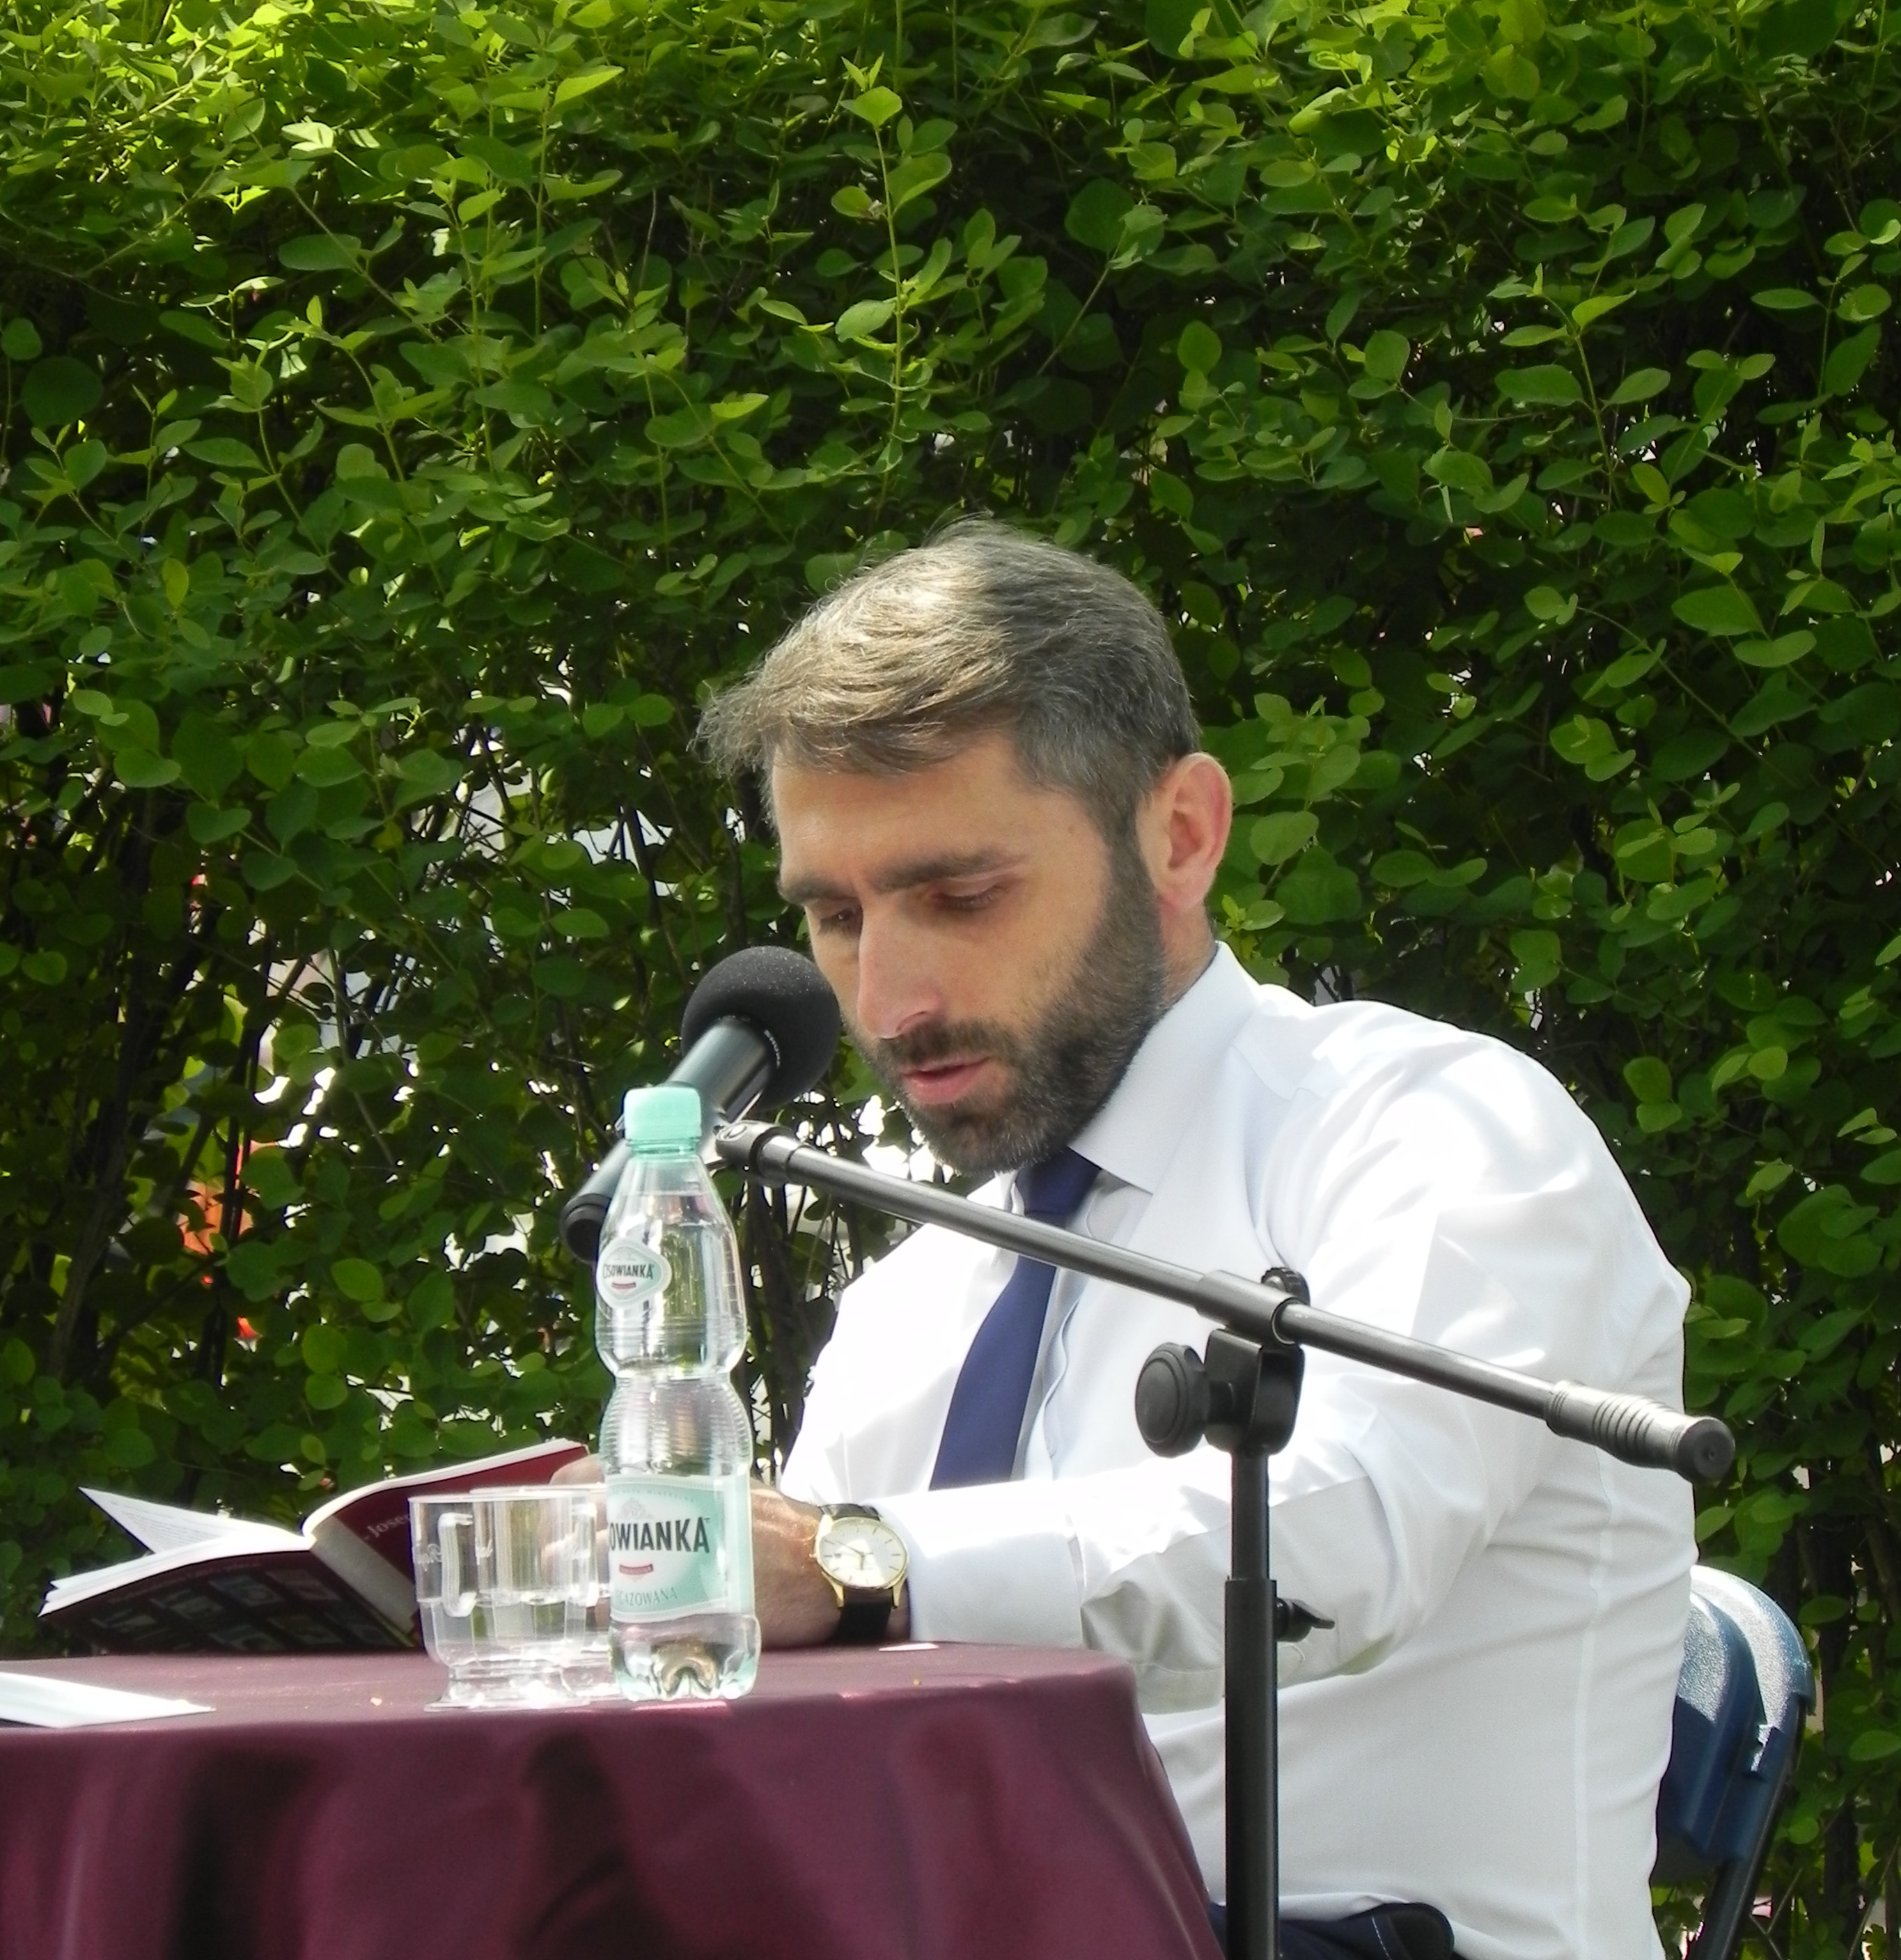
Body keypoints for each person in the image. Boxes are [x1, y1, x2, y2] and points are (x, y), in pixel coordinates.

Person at [691, 520, 1693, 1959]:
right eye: (837, 918)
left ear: (1180, 834)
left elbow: (1349, 1528)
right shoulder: (913, 1305)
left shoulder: (1433, 1130)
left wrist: (869, 1569)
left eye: (959, 896)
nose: (892, 999)